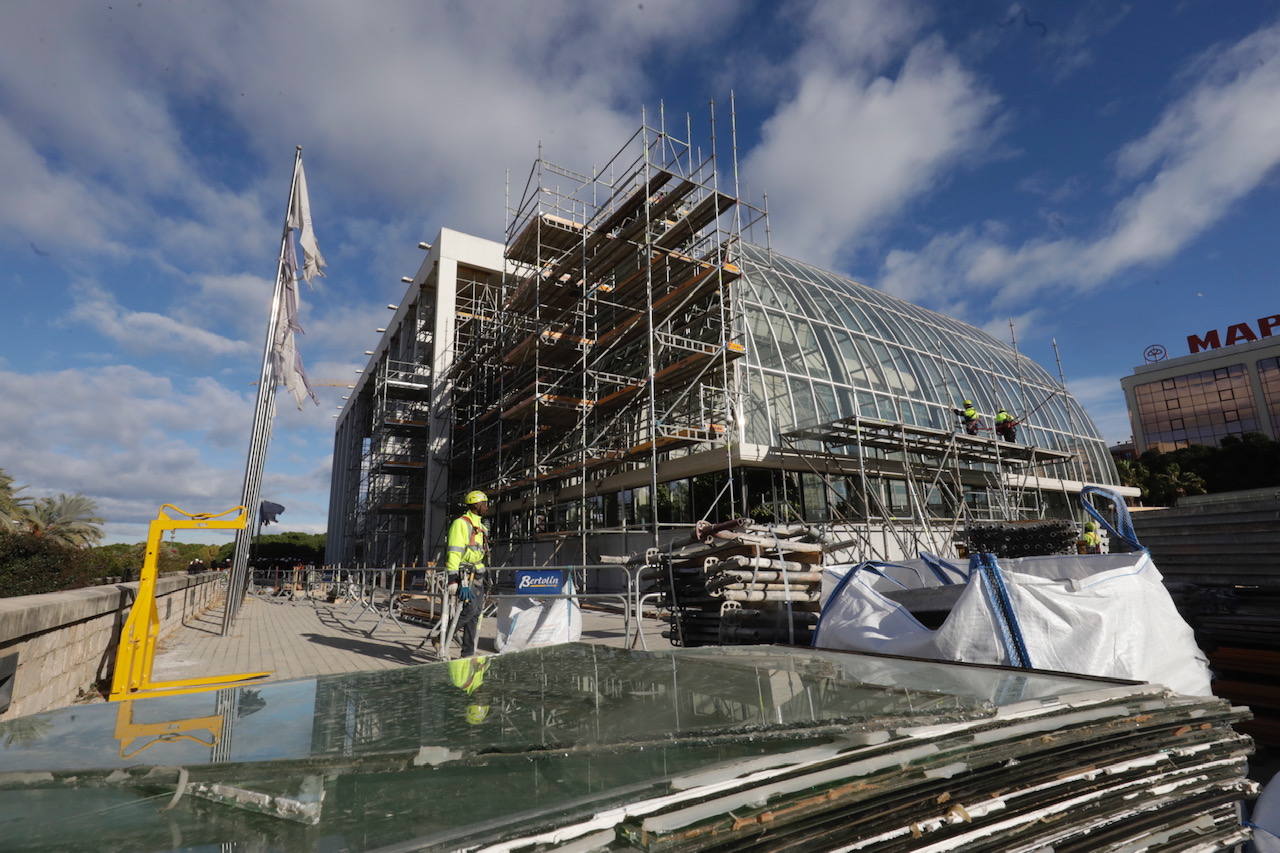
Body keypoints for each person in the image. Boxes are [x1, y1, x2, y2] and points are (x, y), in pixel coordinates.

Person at [446, 490, 490, 657]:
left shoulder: (482, 527)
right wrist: (452, 579)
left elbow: (479, 555)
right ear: (475, 505)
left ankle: (467, 653)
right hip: (463, 575)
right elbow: (454, 552)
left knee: (476, 613)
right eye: (484, 503)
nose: (486, 507)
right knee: (470, 610)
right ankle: (441, 638)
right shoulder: (461, 523)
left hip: (477, 575)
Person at [448, 655, 491, 725]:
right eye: (487, 701)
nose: (487, 697)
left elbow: (454, 655)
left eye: (482, 701)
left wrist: (474, 662)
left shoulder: (459, 681)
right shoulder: (483, 674)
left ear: (473, 700)